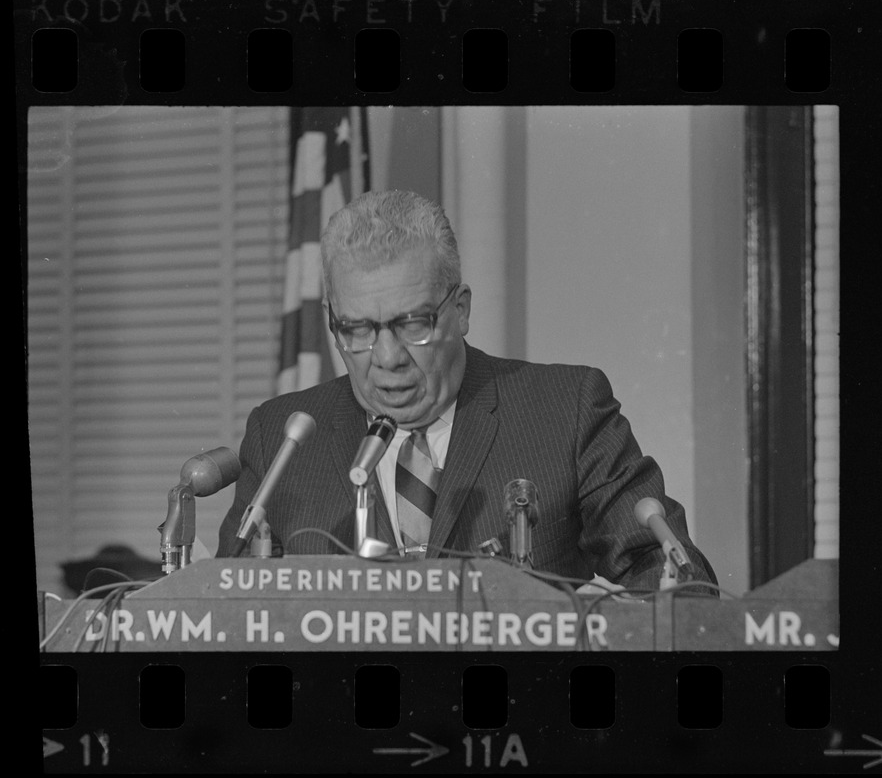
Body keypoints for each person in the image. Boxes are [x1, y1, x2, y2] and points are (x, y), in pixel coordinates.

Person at [217, 189, 717, 594]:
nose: (387, 356)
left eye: (412, 324)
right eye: (358, 330)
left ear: (460, 311)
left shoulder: (567, 410)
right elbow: (223, 608)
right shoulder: (282, 439)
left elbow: (671, 575)